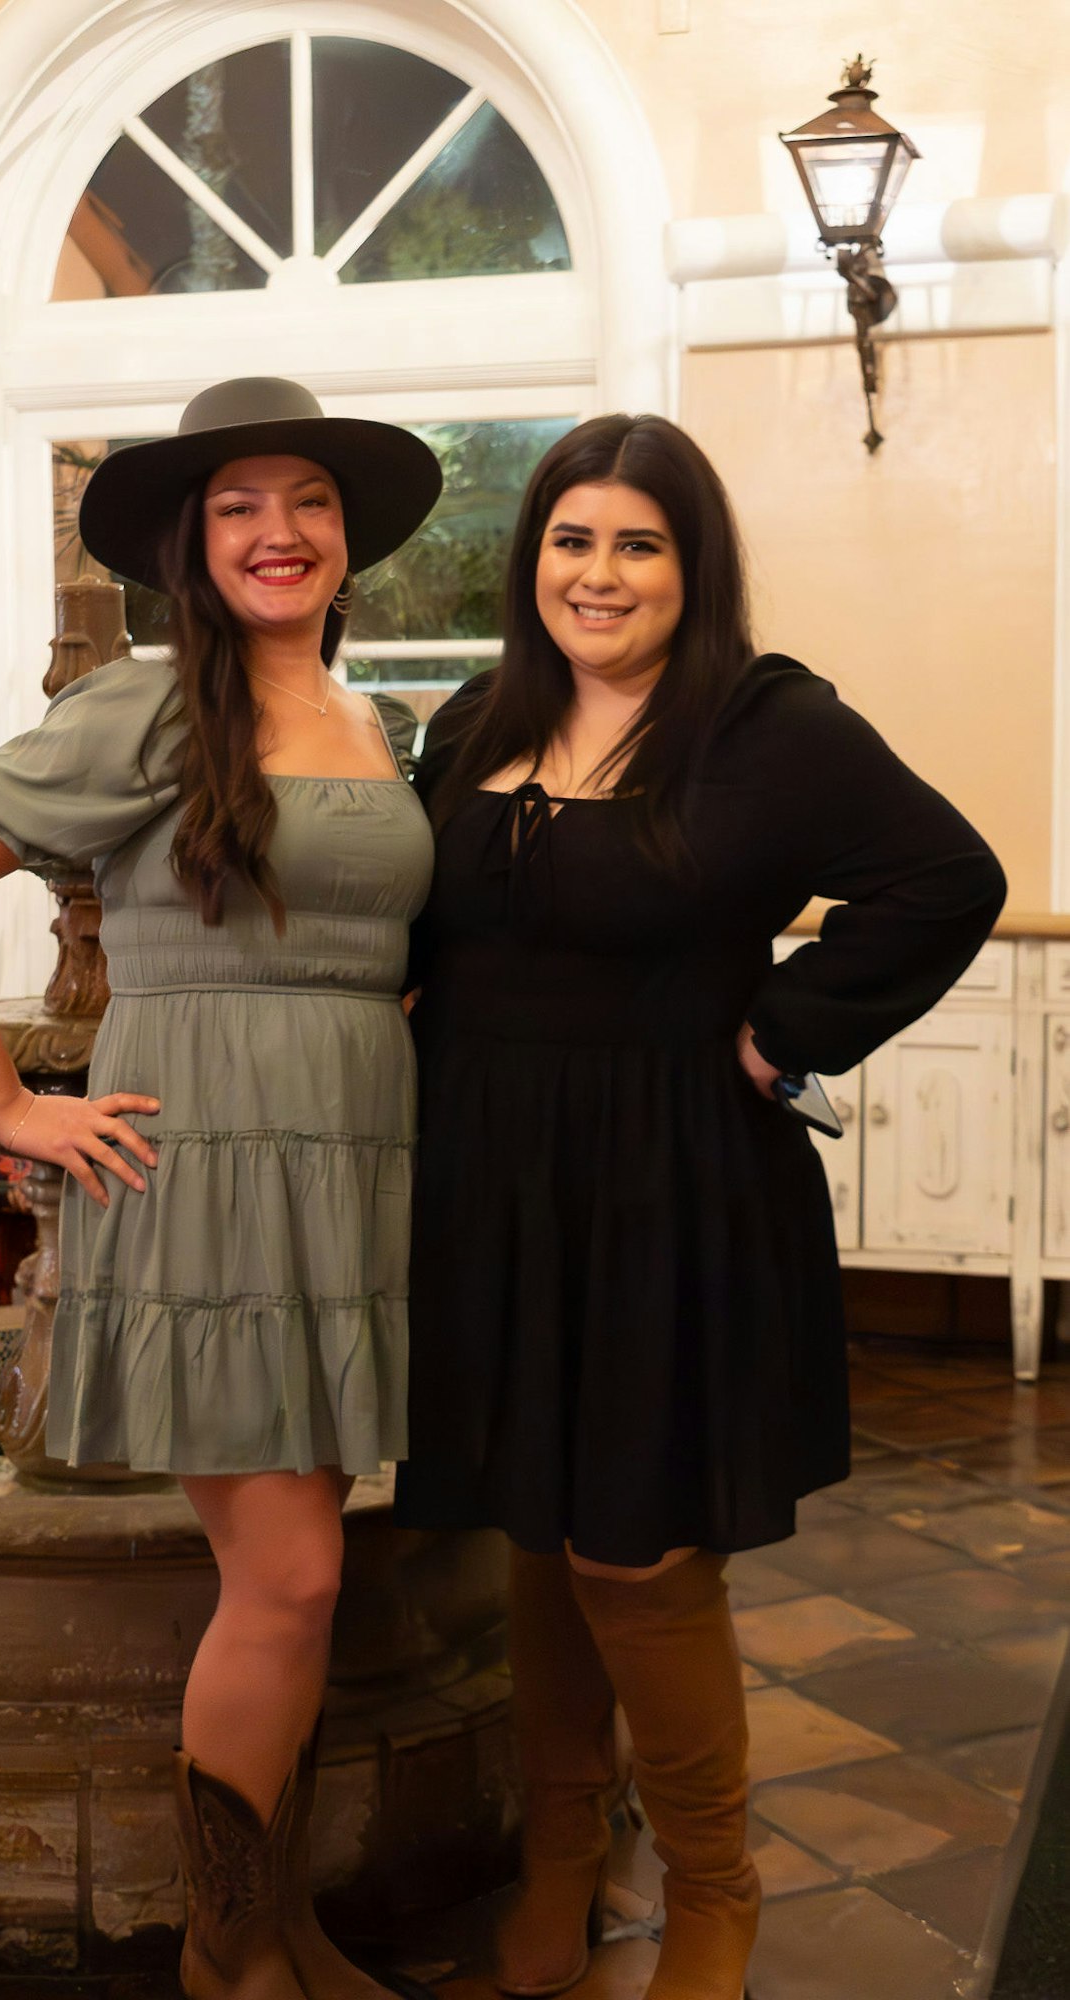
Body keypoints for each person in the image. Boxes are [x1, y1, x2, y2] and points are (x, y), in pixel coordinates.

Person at [392, 413, 1006, 2000]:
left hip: (671, 1190)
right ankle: (563, 1856)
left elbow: (945, 878)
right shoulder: (470, 722)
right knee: (537, 1535)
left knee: (635, 1555)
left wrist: (783, 1027)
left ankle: (715, 1889)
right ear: (530, 558)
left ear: (691, 565)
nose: (598, 574)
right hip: (492, 1187)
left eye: (636, 543)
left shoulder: (762, 724)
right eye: (571, 539)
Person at [0, 377, 442, 2000]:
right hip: (201, 1167)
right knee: (291, 1576)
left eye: (308, 502)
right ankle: (223, 1951)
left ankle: (284, 1925)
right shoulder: (143, 705)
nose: (281, 532)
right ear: (193, 545)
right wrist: (0, 1106)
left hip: (344, 1163)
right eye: (240, 506)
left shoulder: (367, 719)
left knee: (303, 1575)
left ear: (346, 539)